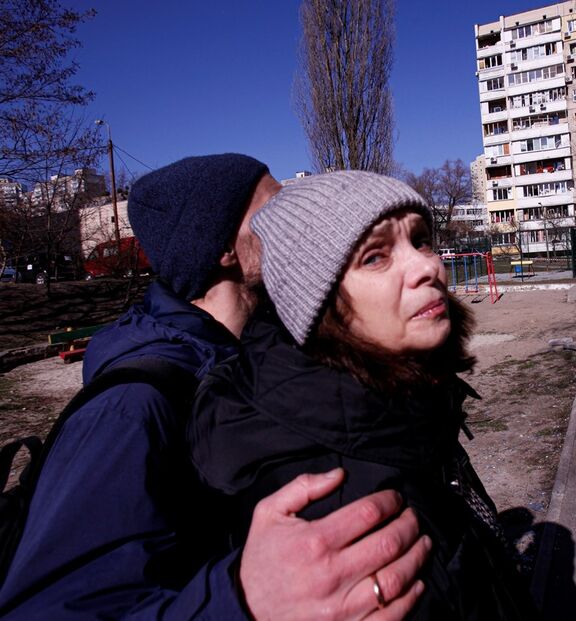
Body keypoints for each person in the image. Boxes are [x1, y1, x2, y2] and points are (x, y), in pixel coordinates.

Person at [0, 155, 428, 620]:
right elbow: (46, 608)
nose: (298, 220)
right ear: (225, 246)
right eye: (276, 209)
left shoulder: (253, 358)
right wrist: (241, 602)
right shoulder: (130, 407)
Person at [189, 171, 539, 619]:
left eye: (421, 239)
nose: (427, 267)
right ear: (318, 305)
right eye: (375, 257)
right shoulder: (341, 505)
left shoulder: (403, 410)